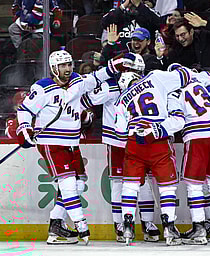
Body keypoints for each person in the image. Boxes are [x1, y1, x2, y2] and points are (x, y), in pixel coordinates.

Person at [16, 49, 137, 245]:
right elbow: (24, 110)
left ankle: (56, 225)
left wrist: (114, 66)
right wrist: (24, 129)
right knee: (68, 183)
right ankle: (80, 223)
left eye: (69, 64)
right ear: (54, 68)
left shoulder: (77, 82)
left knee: (79, 184)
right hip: (51, 141)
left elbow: (98, 77)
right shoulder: (41, 88)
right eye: (62, 65)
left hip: (72, 142)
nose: (67, 68)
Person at [80, 54, 160, 243]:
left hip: (139, 139)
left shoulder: (146, 86)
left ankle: (147, 223)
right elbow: (86, 99)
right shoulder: (110, 86)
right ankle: (120, 223)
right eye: (131, 70)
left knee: (143, 180)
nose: (134, 74)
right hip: (117, 140)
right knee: (119, 181)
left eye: (137, 71)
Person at [114, 64, 193, 246]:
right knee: (167, 187)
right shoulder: (154, 77)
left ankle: (127, 227)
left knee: (130, 186)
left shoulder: (120, 100)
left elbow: (120, 132)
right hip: (158, 137)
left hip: (135, 141)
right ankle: (169, 227)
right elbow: (183, 76)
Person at [178, 70, 210, 245]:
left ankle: (199, 228)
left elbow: (176, 120)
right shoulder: (200, 81)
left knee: (194, 185)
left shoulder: (175, 92)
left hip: (198, 134)